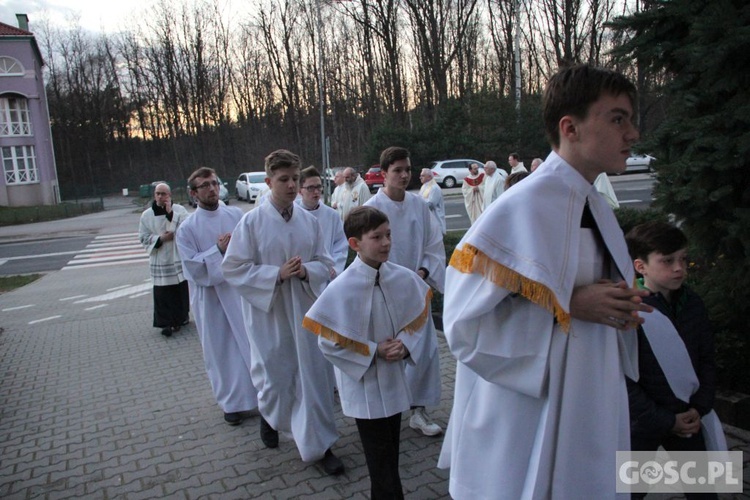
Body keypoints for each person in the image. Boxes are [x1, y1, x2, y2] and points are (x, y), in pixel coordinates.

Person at [438, 64, 653, 498]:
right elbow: (461, 323)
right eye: (617, 119)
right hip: (530, 411)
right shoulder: (520, 208)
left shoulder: (594, 202)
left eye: (631, 119)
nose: (633, 134)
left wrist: (620, 305)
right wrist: (569, 305)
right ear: (570, 127)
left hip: (590, 391)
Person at [221, 149, 343, 475]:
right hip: (270, 314)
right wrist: (275, 274)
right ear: (269, 181)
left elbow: (327, 263)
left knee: (312, 378)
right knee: (275, 377)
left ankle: (319, 445)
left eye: (295, 179)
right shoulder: (252, 222)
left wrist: (306, 273)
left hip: (304, 310)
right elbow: (233, 268)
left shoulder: (310, 222)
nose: (291, 186)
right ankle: (270, 415)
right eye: (284, 179)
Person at [304, 206, 433, 500]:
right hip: (364, 387)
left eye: (388, 235)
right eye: (376, 237)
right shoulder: (341, 289)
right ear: (355, 243)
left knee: (390, 454)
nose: (386, 242)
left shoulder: (401, 277)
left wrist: (404, 344)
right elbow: (328, 342)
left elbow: (417, 318)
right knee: (379, 461)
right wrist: (374, 352)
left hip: (394, 379)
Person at [625, 221, 725, 498]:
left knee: (704, 491)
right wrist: (664, 419)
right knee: (630, 491)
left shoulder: (693, 303)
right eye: (667, 261)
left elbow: (706, 358)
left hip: (690, 415)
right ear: (640, 266)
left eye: (683, 259)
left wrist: (701, 406)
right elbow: (621, 375)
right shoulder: (629, 310)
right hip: (644, 423)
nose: (679, 267)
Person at [365, 146, 446, 437]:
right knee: (389, 349)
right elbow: (367, 247)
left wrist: (423, 273)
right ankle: (385, 411)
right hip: (384, 289)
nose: (404, 175)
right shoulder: (373, 207)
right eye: (397, 170)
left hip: (416, 289)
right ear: (383, 173)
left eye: (407, 170)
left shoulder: (418, 206)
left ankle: (418, 410)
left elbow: (433, 245)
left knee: (422, 351)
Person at [175, 167, 258, 426]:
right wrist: (218, 250)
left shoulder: (235, 214)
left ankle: (259, 396)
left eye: (214, 183)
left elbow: (253, 247)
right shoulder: (187, 228)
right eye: (204, 186)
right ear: (193, 193)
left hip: (239, 292)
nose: (211, 189)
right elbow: (192, 267)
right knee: (221, 351)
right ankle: (231, 403)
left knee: (250, 344)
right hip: (210, 299)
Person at [139, 182, 190, 337]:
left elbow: (187, 229)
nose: (160, 196)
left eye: (164, 193)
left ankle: (180, 318)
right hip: (160, 257)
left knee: (178, 290)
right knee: (162, 293)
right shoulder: (147, 215)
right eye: (158, 193)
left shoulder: (179, 210)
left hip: (176, 256)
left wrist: (170, 215)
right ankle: (165, 323)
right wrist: (160, 238)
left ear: (170, 195)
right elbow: (143, 236)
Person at [296, 166, 348, 277]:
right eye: (310, 188)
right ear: (300, 190)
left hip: (327, 273)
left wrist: (335, 267)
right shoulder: (293, 214)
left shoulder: (332, 215)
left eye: (319, 187)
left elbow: (341, 244)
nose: (316, 192)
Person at [418, 168, 446, 234]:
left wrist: (418, 204)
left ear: (429, 176)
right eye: (420, 175)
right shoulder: (424, 186)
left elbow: (431, 204)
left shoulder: (434, 188)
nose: (420, 177)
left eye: (423, 175)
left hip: (435, 218)